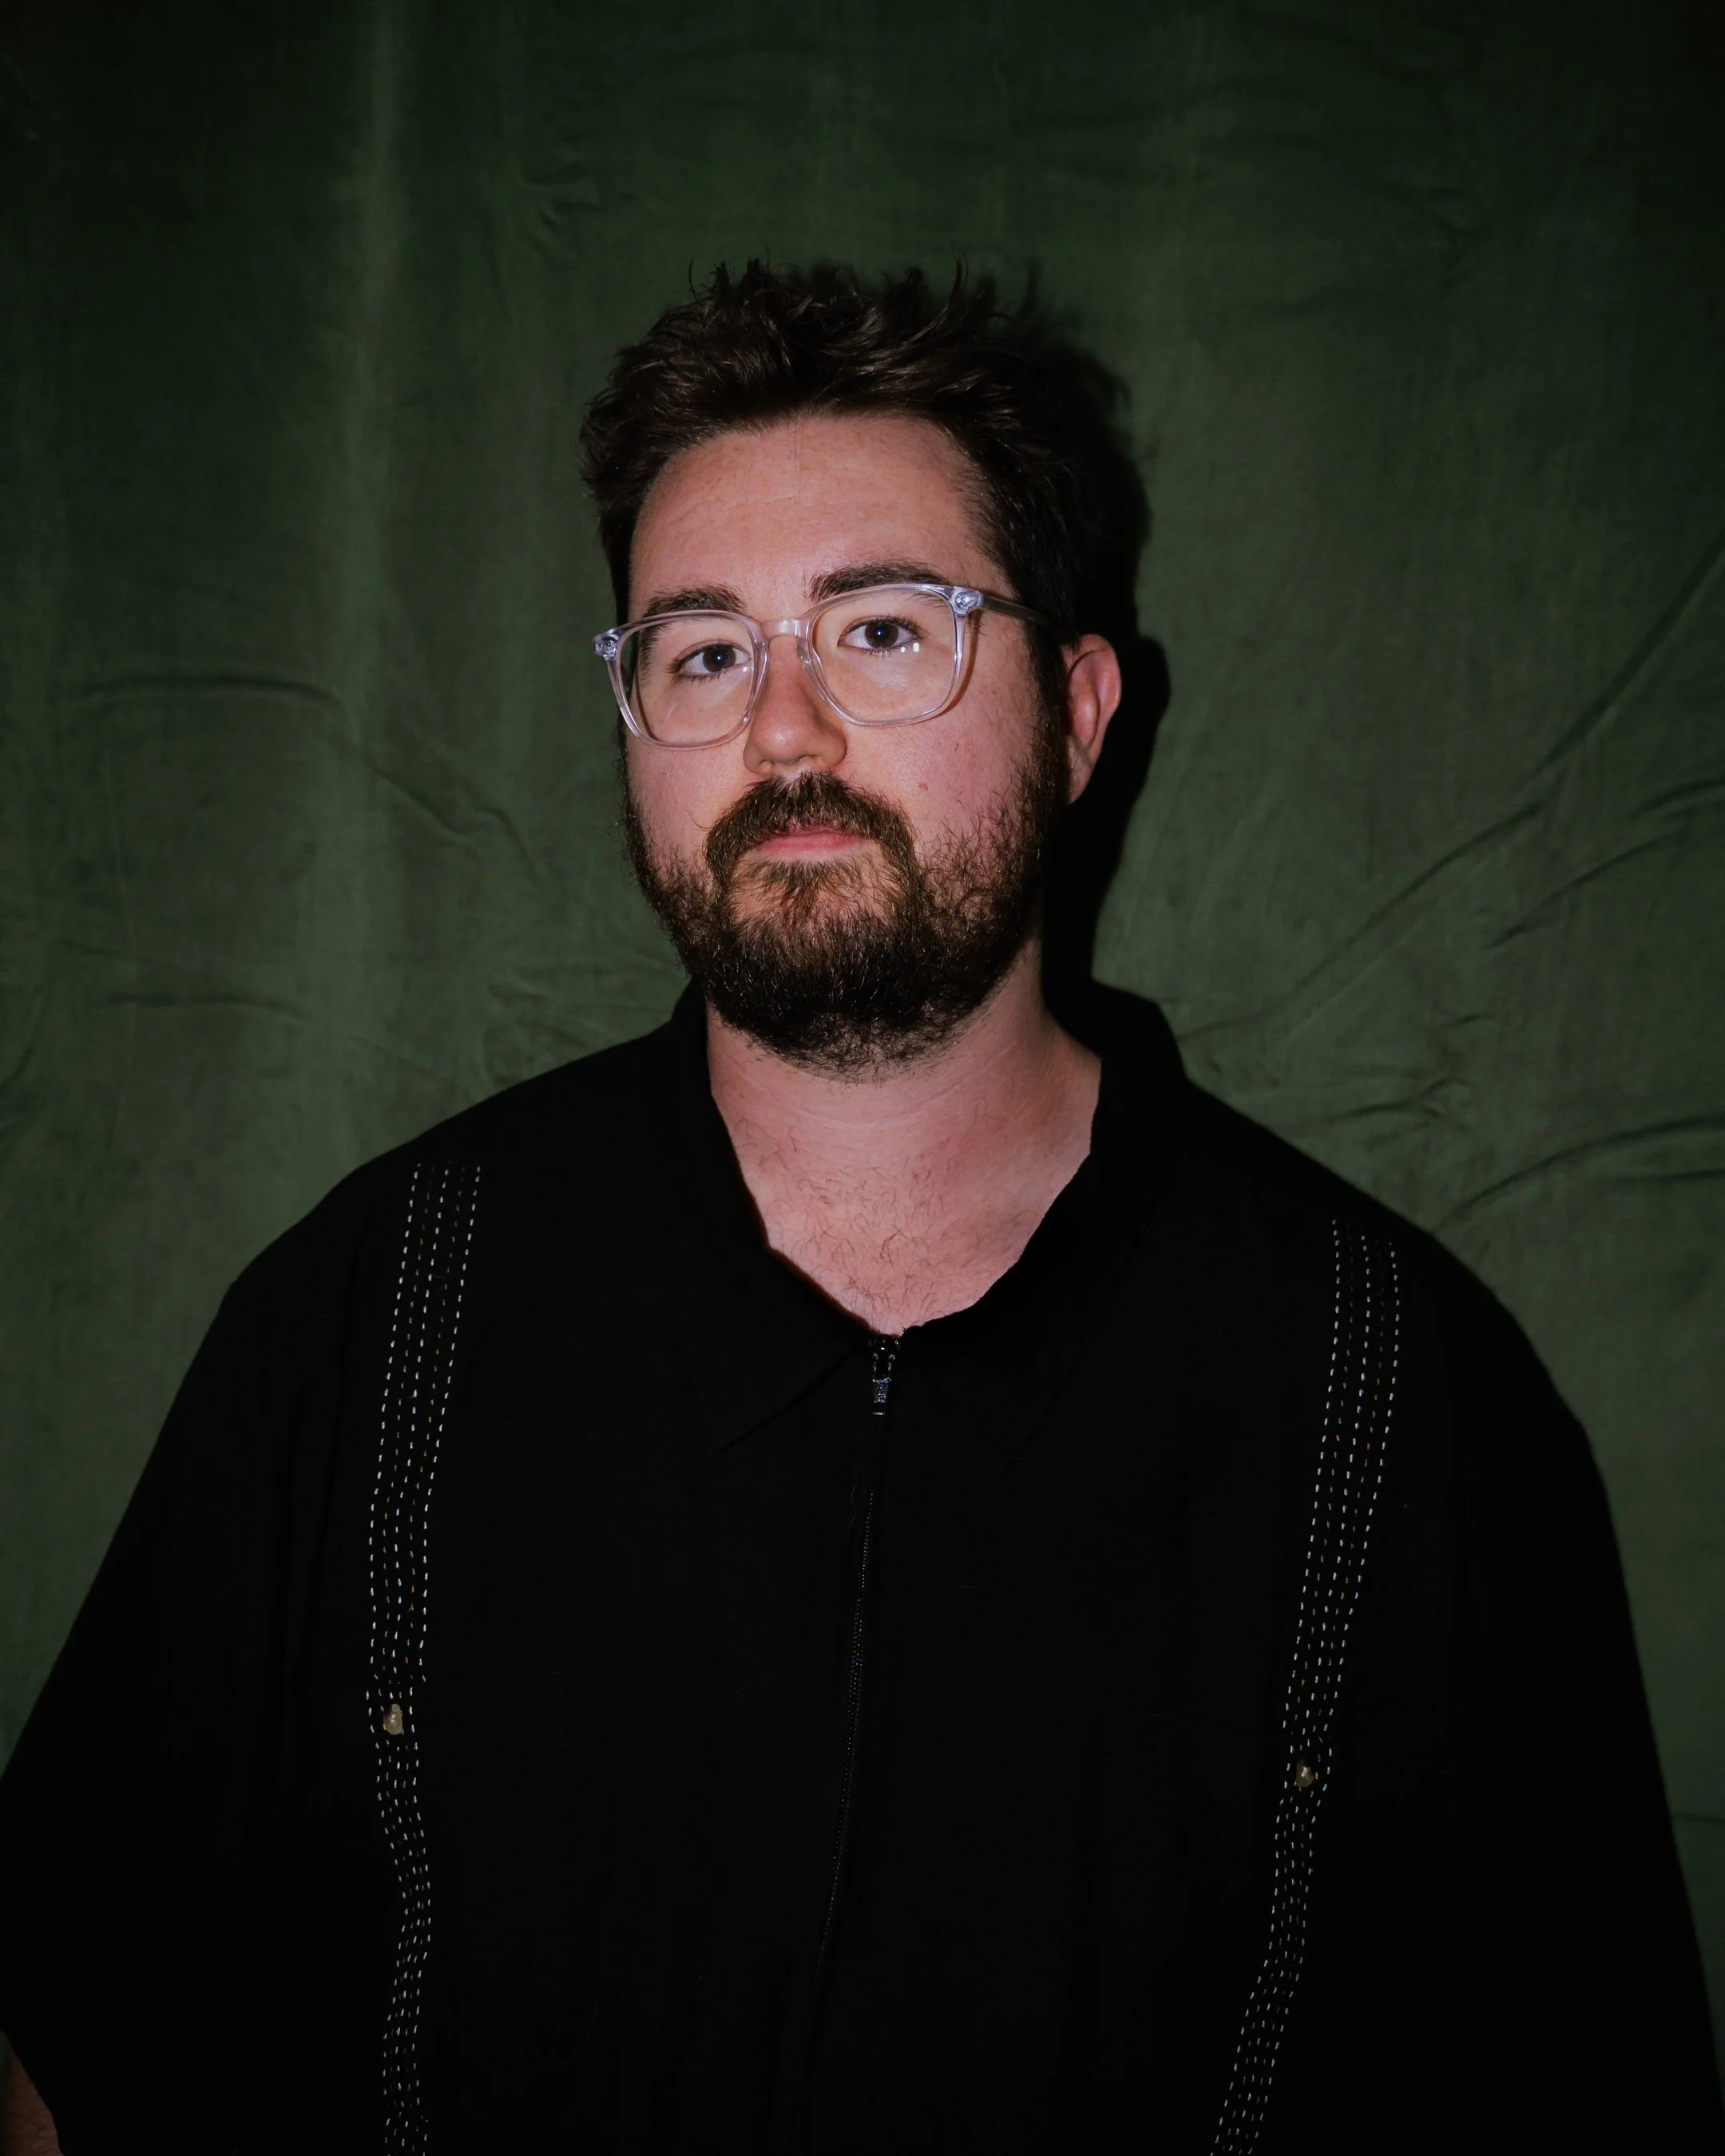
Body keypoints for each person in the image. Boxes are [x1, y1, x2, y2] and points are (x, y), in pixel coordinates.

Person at [0, 262, 1718, 2156]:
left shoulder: (1401, 1407)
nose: (785, 731)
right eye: (703, 652)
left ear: (1079, 713)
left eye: (886, 631)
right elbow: (70, 2048)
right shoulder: (367, 1323)